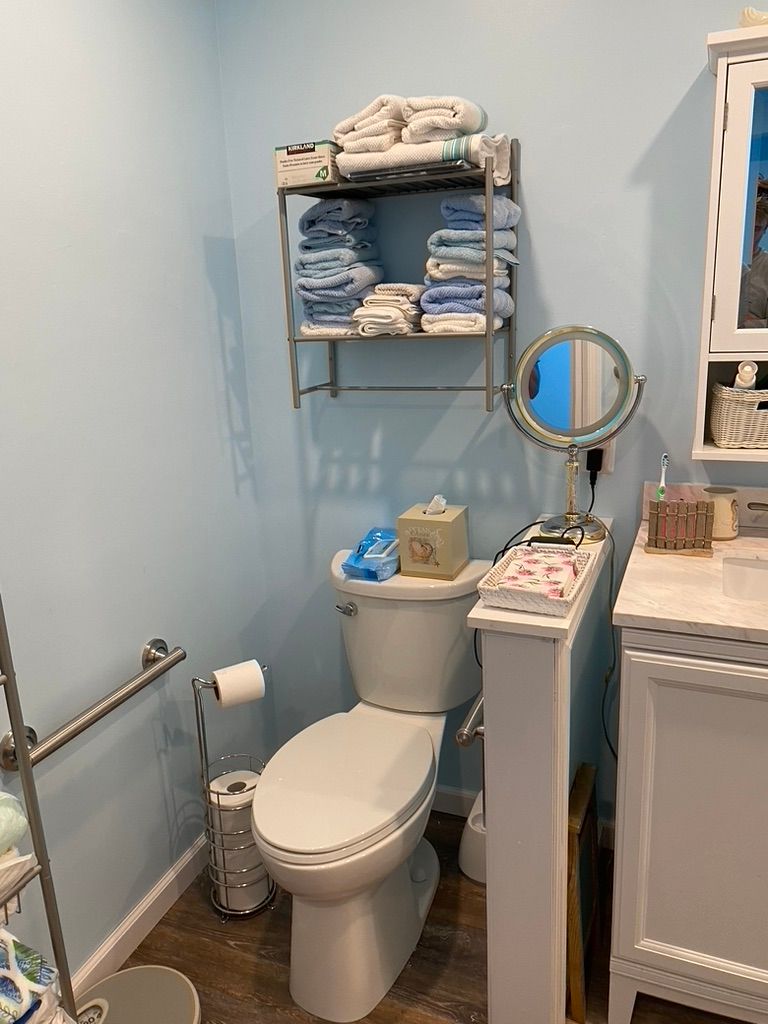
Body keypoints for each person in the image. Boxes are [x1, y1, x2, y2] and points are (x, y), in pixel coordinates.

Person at [739, 182, 768, 327]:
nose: (751, 234)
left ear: (764, 230)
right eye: (748, 227)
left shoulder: (766, 266)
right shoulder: (719, 259)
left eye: (756, 229)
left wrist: (747, 325)